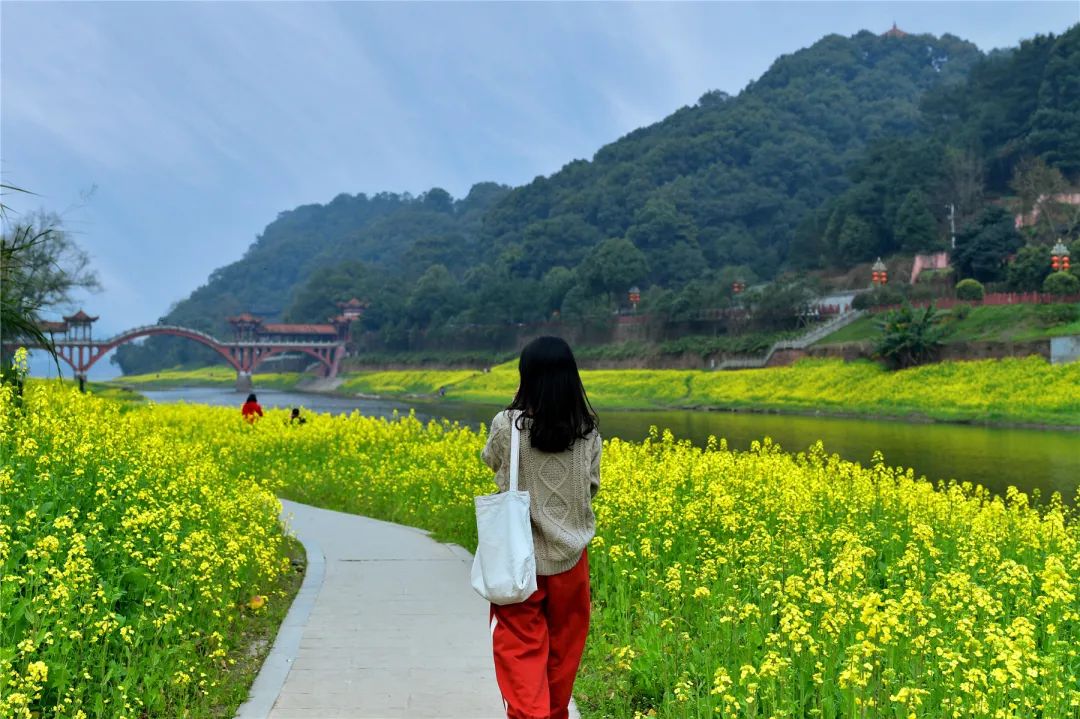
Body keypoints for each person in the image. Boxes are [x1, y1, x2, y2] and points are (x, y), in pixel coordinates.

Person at [481, 336, 601, 719]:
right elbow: (592, 486)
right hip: (571, 561)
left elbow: (491, 461)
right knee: (563, 653)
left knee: (519, 648)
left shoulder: (507, 425)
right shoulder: (588, 432)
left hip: (518, 560)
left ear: (526, 377)